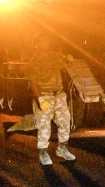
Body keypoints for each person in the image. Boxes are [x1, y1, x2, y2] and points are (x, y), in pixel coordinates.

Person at [26, 33, 74, 165]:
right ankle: (43, 152)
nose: (46, 43)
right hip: (45, 95)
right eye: (42, 41)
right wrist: (40, 99)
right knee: (44, 125)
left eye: (47, 41)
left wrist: (69, 61)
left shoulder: (54, 56)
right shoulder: (34, 62)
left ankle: (62, 148)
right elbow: (33, 82)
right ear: (36, 44)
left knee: (65, 121)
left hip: (59, 94)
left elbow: (65, 66)